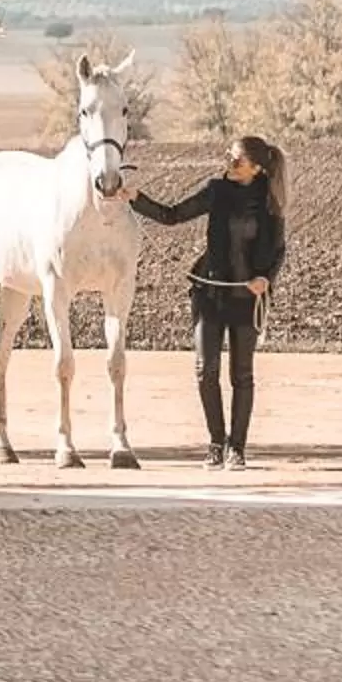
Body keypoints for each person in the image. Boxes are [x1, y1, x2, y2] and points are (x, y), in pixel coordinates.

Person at [127, 136, 287, 469]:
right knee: (205, 370)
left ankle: (237, 448)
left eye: (238, 160)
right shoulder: (216, 190)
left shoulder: (269, 200)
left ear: (256, 168)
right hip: (209, 293)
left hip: (247, 298)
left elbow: (279, 249)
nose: (230, 162)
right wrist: (136, 199)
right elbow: (172, 216)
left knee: (241, 375)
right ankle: (216, 442)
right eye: (230, 155)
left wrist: (266, 278)